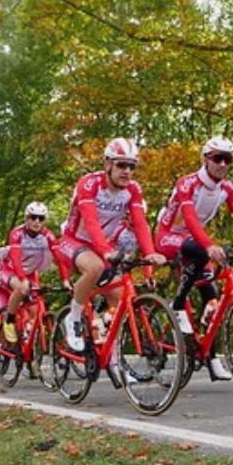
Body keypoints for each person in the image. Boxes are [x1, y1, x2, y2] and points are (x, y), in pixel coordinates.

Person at [155, 136, 233, 378]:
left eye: (227, 159)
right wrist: (208, 245)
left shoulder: (227, 188)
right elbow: (188, 218)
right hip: (170, 236)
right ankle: (177, 307)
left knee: (212, 297)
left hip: (195, 239)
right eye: (217, 158)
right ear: (205, 159)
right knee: (200, 254)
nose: (222, 164)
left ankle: (210, 355)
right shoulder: (187, 183)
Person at [56, 137, 167, 350]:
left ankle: (115, 361)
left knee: (122, 299)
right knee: (95, 267)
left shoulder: (133, 190)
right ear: (107, 164)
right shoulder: (89, 184)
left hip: (100, 248)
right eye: (121, 164)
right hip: (73, 241)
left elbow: (140, 223)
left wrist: (150, 253)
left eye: (131, 166)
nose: (127, 171)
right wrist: (106, 251)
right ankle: (74, 318)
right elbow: (90, 222)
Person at [0, 201, 72, 345]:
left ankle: (28, 338)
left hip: (29, 273)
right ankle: (9, 321)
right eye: (33, 217)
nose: (36, 221)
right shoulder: (17, 234)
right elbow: (16, 259)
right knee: (21, 288)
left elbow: (60, 259)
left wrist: (66, 280)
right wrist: (22, 278)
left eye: (40, 218)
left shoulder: (48, 236)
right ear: (26, 218)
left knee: (35, 311)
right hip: (10, 270)